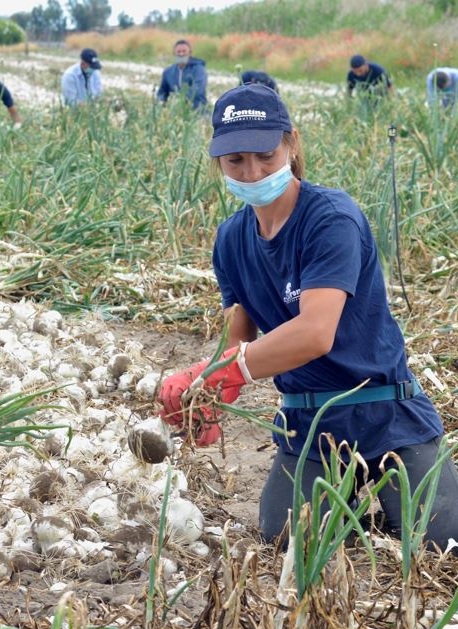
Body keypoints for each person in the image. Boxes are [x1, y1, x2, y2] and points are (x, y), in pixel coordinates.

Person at [156, 84, 458, 549]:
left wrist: (229, 369)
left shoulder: (330, 217)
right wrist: (208, 390)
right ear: (219, 162)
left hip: (385, 412)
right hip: (310, 425)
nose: (252, 172)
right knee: (283, 539)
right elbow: (237, 338)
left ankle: (387, 506)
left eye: (265, 154)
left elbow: (316, 333)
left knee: (442, 543)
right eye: (236, 160)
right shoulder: (231, 239)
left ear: (291, 143)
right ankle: (354, 507)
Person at [156, 39, 208, 111]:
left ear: (190, 53)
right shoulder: (168, 72)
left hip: (196, 108)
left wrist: (180, 100)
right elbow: (162, 92)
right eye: (178, 52)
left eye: (184, 51)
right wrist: (161, 101)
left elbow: (198, 89)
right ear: (174, 53)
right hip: (173, 109)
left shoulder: (199, 69)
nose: (181, 54)